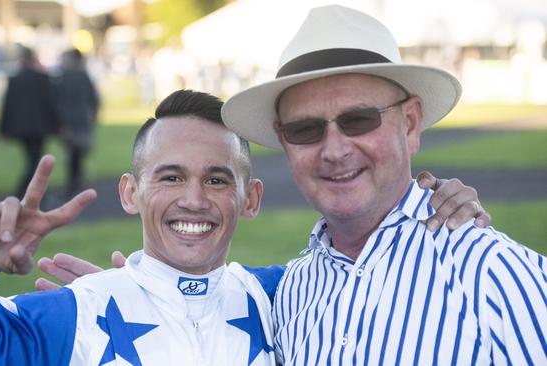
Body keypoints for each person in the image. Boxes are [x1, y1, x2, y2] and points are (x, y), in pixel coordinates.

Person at [219, 5, 547, 365]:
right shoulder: (290, 293)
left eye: (358, 119)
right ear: (285, 142)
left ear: (410, 123)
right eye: (304, 129)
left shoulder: (497, 276)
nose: (335, 150)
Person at [0, 90, 282, 365]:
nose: (194, 200)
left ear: (251, 198)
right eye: (170, 178)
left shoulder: (284, 300)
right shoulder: (73, 315)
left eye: (217, 180)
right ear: (130, 193)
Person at [0, 46, 59, 199]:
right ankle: (27, 192)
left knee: (33, 160)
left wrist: (2, 130)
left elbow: (7, 106)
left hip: (21, 128)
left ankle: (30, 193)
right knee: (34, 161)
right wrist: (58, 125)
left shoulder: (14, 80)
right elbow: (50, 104)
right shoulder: (43, 78)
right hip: (39, 128)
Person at [54, 48, 100, 198]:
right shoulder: (84, 75)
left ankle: (73, 185)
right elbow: (94, 99)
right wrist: (93, 114)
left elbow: (57, 101)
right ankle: (77, 182)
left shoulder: (64, 77)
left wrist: (60, 121)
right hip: (82, 120)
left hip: (70, 121)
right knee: (78, 152)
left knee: (73, 152)